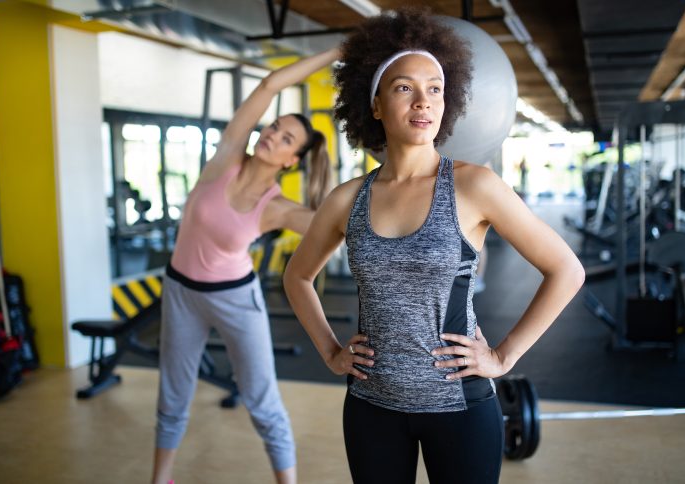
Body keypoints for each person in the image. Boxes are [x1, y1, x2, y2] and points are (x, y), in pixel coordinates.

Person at [283, 8, 584, 484]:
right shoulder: (348, 198)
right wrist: (330, 350)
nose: (423, 101)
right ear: (376, 104)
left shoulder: (473, 186)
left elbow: (567, 270)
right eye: (405, 87)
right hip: (370, 407)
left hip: (460, 407)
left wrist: (503, 357)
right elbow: (297, 276)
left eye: (435, 89)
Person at [151, 47, 339, 484]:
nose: (272, 134)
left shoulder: (279, 209)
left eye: (286, 138)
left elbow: (341, 222)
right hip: (181, 291)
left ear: (291, 161)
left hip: (235, 300)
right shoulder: (224, 160)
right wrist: (335, 52)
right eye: (275, 126)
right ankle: (160, 480)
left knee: (262, 400)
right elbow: (270, 85)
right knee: (172, 395)